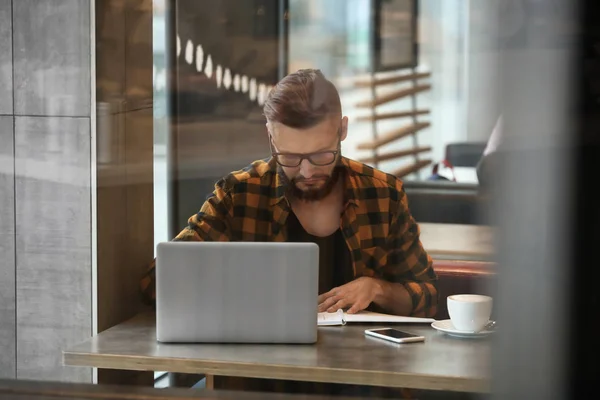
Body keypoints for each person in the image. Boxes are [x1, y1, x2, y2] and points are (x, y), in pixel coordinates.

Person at [140, 68, 438, 319]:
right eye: (291, 157)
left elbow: (426, 296)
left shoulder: (382, 194)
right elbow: (157, 283)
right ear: (270, 136)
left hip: (360, 377)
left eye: (322, 155)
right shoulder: (239, 194)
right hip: (258, 377)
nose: (307, 172)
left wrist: (378, 288)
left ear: (342, 130)